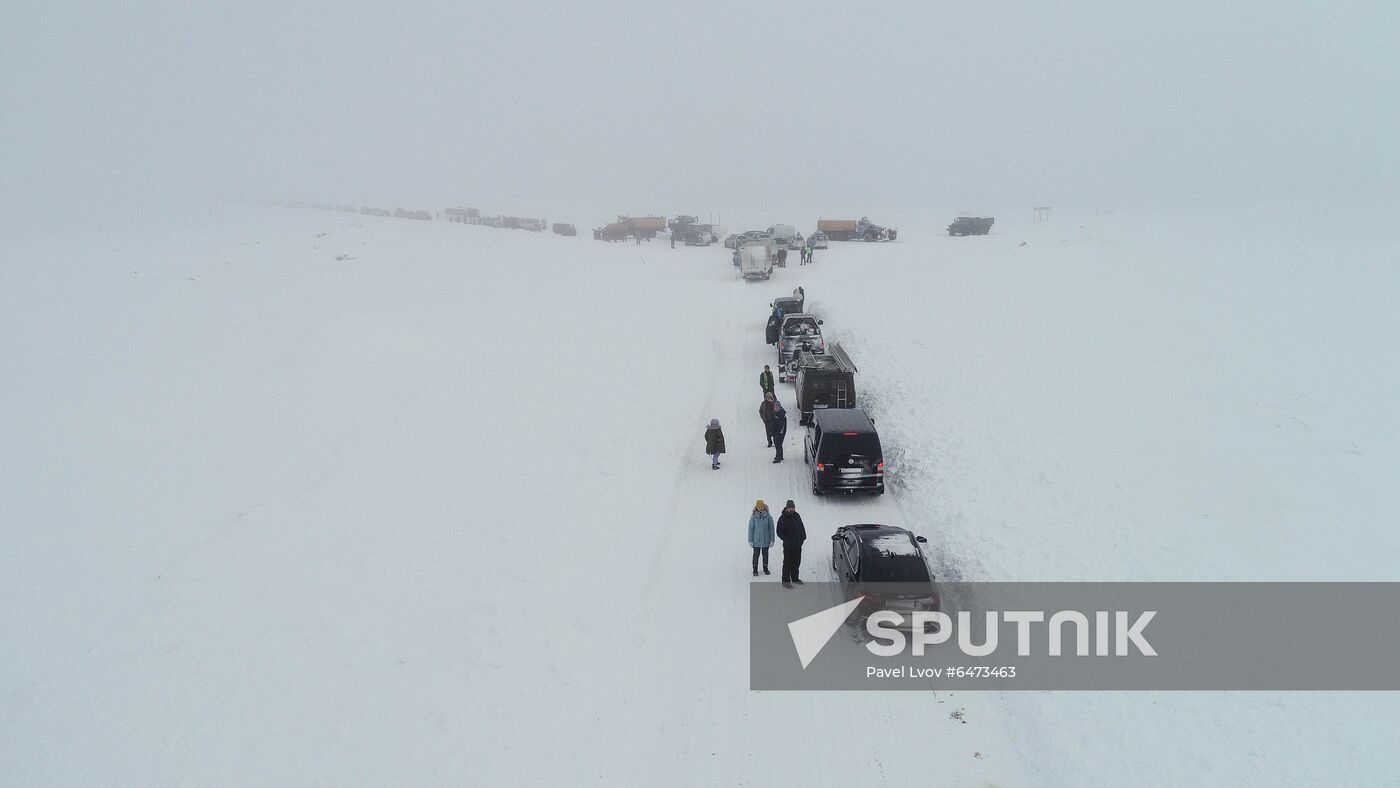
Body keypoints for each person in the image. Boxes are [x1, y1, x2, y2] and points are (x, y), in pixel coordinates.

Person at [776, 500, 806, 587]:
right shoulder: (782, 518)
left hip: (797, 545)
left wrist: (803, 537)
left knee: (796, 562)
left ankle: (795, 578)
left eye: (793, 507)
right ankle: (785, 581)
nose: (791, 509)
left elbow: (801, 527)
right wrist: (787, 540)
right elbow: (779, 532)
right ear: (786, 508)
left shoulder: (797, 516)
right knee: (787, 563)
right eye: (790, 508)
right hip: (788, 546)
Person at [748, 500, 775, 577]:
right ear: (756, 507)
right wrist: (750, 540)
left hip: (766, 540)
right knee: (756, 555)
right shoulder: (753, 516)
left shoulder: (768, 516)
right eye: (759, 507)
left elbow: (771, 528)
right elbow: (751, 528)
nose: (760, 508)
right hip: (756, 540)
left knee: (765, 554)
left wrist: (772, 539)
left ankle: (765, 568)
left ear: (764, 506)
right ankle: (755, 569)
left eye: (762, 506)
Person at [767, 398, 788, 462]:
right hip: (776, 432)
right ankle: (780, 456)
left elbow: (781, 425)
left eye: (777, 407)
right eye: (775, 407)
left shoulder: (781, 415)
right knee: (778, 444)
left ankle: (778, 458)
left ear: (779, 407)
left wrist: (778, 432)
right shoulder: (776, 413)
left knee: (778, 444)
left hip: (779, 433)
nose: (775, 408)